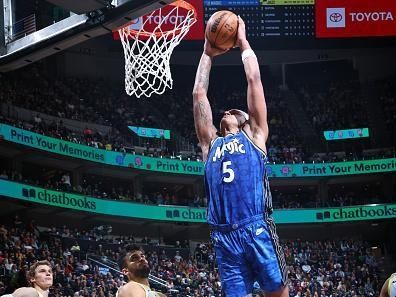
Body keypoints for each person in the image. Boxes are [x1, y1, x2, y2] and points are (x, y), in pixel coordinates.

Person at [192, 16, 288, 297]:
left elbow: (254, 79)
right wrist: (207, 54)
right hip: (222, 235)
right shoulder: (210, 144)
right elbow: (199, 94)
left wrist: (244, 42)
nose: (227, 111)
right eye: (226, 111)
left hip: (255, 224)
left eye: (235, 111)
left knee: (278, 291)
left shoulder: (255, 135)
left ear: (246, 121)